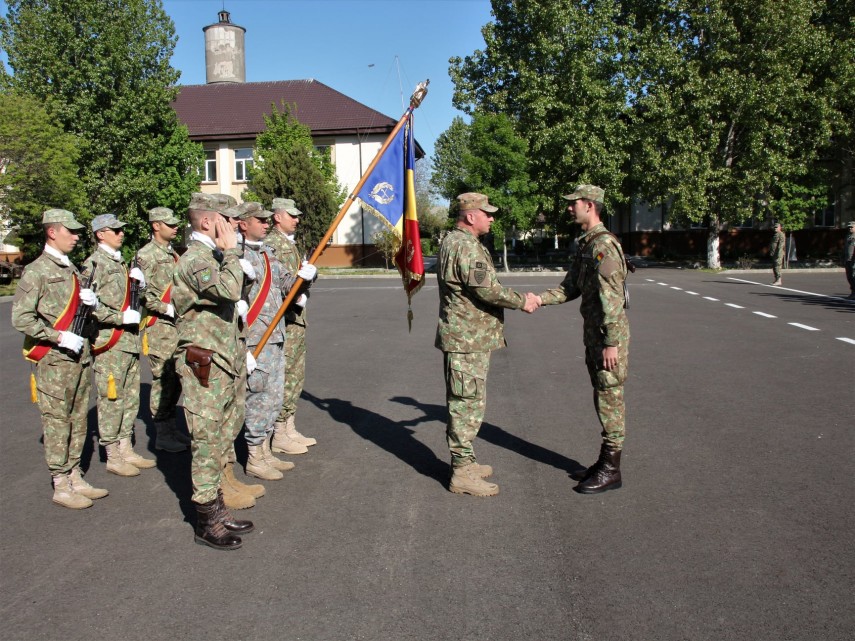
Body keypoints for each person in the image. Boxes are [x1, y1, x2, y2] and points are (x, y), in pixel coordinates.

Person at [435, 192, 540, 497]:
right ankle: (462, 471)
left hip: (469, 337)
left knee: (468, 400)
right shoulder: (464, 245)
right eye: (487, 213)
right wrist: (523, 301)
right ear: (470, 216)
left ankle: (466, 460)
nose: (492, 218)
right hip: (466, 339)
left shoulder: (459, 242)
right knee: (465, 404)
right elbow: (487, 290)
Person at [534, 185, 630, 494]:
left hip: (606, 339)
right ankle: (604, 462)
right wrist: (537, 299)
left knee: (609, 398)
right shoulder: (587, 244)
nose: (568, 208)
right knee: (602, 395)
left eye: (572, 204)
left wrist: (612, 342)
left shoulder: (604, 247)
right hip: (596, 337)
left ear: (589, 205)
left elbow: (613, 299)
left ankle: (611, 469)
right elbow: (569, 287)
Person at [172, 192, 253, 549]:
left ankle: (218, 508)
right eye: (229, 219)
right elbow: (229, 289)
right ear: (208, 222)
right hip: (204, 361)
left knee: (221, 436)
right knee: (206, 441)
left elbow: (235, 294)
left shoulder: (214, 256)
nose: (236, 225)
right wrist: (233, 253)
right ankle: (206, 519)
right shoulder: (195, 259)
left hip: (223, 359)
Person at [11, 209, 107, 509]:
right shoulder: (36, 270)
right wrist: (58, 336)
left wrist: (92, 304)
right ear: (53, 232)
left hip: (78, 358)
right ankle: (60, 483)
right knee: (56, 421)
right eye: (71, 231)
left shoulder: (73, 269)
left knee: (78, 419)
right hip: (54, 360)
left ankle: (75, 474)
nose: (77, 236)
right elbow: (21, 318)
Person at [236, 202, 316, 480]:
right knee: (257, 396)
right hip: (254, 336)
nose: (266, 223)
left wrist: (303, 280)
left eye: (267, 219)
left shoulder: (267, 253)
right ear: (243, 223)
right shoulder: (235, 256)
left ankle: (267, 449)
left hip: (276, 333)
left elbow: (285, 285)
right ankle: (254, 456)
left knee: (273, 396)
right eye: (259, 219)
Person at [82, 213, 153, 477]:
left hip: (129, 341)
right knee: (112, 398)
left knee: (130, 396)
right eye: (115, 230)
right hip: (109, 343)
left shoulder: (120, 263)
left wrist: (141, 286)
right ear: (101, 233)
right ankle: (112, 454)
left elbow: (134, 300)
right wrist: (119, 317)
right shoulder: (94, 265)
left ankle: (126, 447)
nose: (121, 233)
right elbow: (88, 307)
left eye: (121, 229)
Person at [266, 197, 318, 455]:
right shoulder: (272, 243)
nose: (297, 219)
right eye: (291, 215)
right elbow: (276, 283)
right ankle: (279, 432)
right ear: (277, 217)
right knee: (284, 377)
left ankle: (288, 426)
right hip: (284, 321)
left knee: (296, 376)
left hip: (296, 319)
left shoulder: (289, 243)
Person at [137, 206, 189, 453]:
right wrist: (165, 308)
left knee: (176, 380)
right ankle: (161, 432)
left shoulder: (172, 254)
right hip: (161, 328)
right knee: (163, 380)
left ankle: (170, 428)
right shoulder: (146, 255)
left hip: (177, 326)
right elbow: (143, 294)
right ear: (156, 226)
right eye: (170, 224)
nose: (175, 227)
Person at [770, 221, 785, 286]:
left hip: (778, 254)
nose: (775, 228)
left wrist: (779, 253)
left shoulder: (781, 234)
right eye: (774, 227)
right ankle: (776, 279)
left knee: (777, 266)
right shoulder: (775, 234)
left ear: (780, 227)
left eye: (776, 227)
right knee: (774, 266)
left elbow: (781, 244)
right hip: (774, 253)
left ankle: (779, 280)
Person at [844, 221, 855, 300]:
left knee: (854, 276)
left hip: (854, 260)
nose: (850, 228)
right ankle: (853, 292)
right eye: (849, 227)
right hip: (848, 260)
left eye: (852, 227)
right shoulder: (848, 236)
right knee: (849, 277)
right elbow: (845, 249)